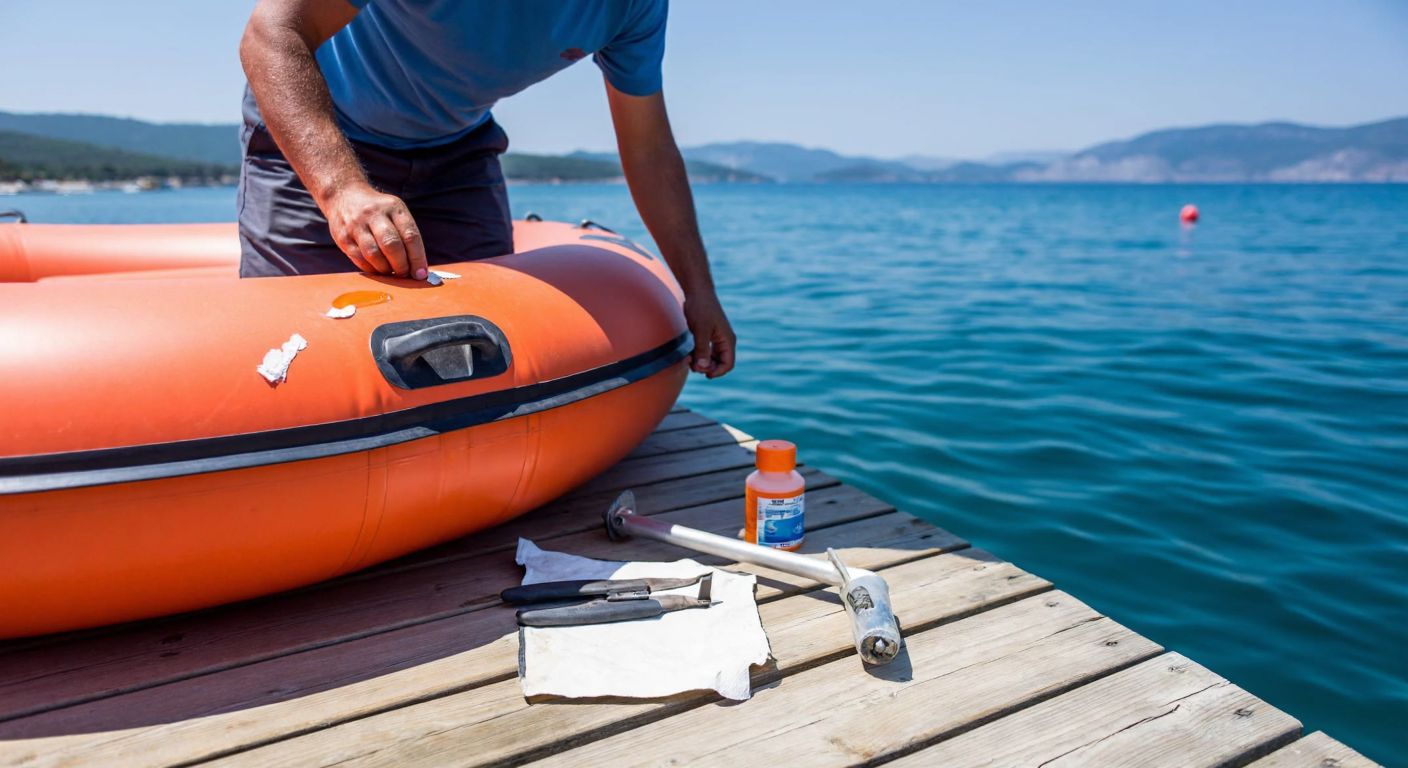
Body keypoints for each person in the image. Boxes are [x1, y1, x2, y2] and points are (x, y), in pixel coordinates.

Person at [238, 0, 735, 378]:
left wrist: (699, 291)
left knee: (483, 354)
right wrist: (341, 189)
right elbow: (271, 34)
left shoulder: (633, 6)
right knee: (289, 354)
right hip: (321, 133)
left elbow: (648, 147)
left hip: (456, 152)